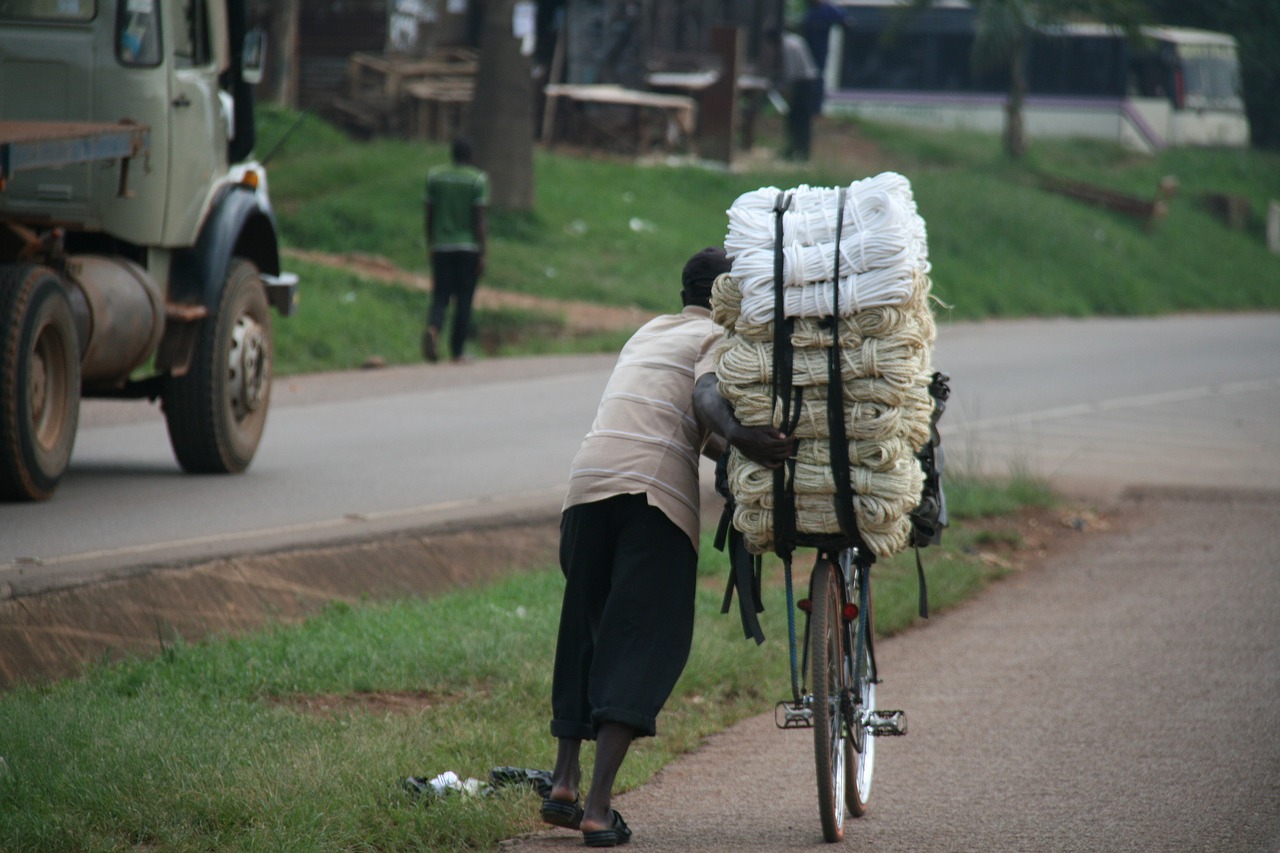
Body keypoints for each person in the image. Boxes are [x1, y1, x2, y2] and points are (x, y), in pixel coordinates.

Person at [542, 247, 791, 848]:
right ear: (729, 296)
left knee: (587, 629)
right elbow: (707, 399)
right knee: (643, 641)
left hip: (586, 487)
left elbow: (676, 420)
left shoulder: (648, 333)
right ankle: (600, 809)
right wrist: (744, 437)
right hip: (650, 502)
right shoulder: (715, 335)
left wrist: (727, 446)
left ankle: (564, 782)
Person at [423, 136, 488, 363]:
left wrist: (431, 242)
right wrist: (483, 252)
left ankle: (434, 327)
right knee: (464, 300)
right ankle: (457, 352)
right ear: (470, 156)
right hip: (468, 248)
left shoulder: (435, 177)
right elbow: (479, 220)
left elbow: (429, 213)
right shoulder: (477, 179)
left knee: (440, 295)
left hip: (441, 246)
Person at [779, 28, 821, 161]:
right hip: (808, 81)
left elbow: (791, 72)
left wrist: (786, 88)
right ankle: (797, 149)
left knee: (799, 119)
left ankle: (799, 151)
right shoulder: (795, 39)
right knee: (800, 119)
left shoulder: (787, 45)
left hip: (803, 83)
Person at [801, 0, 848, 111]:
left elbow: (845, 22)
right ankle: (805, 107)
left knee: (817, 76)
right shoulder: (809, 9)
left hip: (819, 49)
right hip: (805, 49)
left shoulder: (828, 9)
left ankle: (815, 108)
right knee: (805, 78)